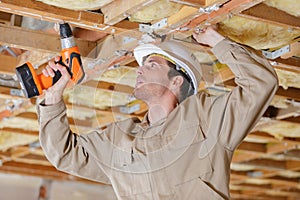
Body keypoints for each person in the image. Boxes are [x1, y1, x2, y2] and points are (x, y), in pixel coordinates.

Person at [37, 27, 278, 199]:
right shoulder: (118, 139)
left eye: (151, 65)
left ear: (177, 82)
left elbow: (261, 83)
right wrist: (53, 96)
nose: (139, 71)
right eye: (142, 66)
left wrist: (218, 41)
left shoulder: (206, 119)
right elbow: (64, 154)